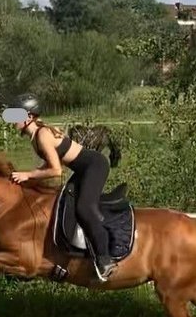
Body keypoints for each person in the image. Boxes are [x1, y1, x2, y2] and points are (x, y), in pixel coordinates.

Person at [8, 94, 117, 281]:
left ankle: (105, 259)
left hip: (95, 166)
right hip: (83, 169)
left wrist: (29, 174)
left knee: (84, 208)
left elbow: (56, 170)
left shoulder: (42, 136)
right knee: (65, 202)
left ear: (28, 117)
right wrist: (30, 177)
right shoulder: (36, 137)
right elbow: (51, 164)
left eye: (15, 116)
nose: (11, 121)